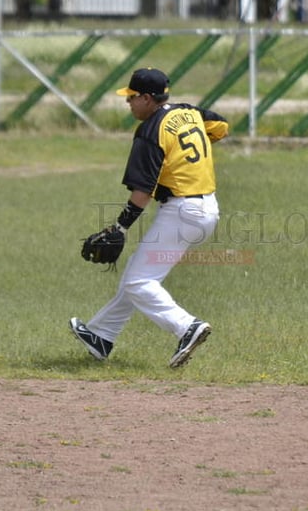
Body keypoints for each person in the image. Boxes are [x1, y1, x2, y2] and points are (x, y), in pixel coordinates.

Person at [69, 67, 229, 368]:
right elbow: (221, 126)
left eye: (131, 98)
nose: (128, 103)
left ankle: (187, 327)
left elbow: (142, 191)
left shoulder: (150, 130)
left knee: (139, 281)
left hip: (182, 212)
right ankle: (101, 336)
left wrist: (120, 227)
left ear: (146, 98)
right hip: (207, 208)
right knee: (138, 274)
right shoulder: (188, 111)